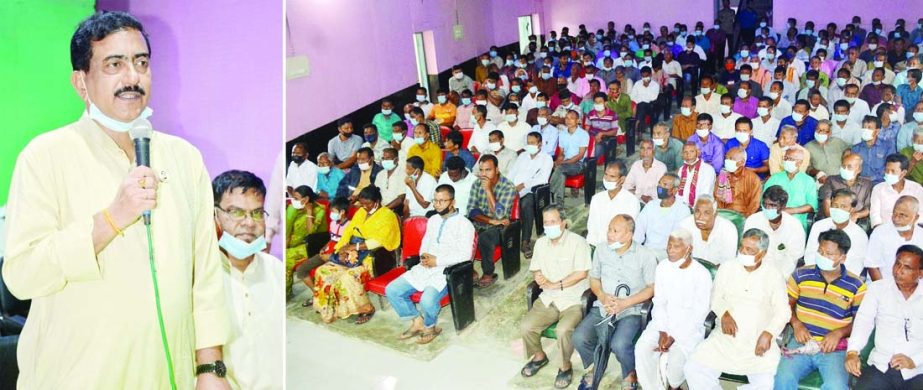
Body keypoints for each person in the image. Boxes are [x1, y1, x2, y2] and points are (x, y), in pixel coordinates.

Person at [2, 11, 231, 388]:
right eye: (114, 64)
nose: (132, 77)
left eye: (141, 63)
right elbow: (22, 276)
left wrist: (210, 369)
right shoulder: (45, 156)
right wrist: (110, 220)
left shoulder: (184, 158)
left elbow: (205, 276)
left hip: (168, 376)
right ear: (81, 82)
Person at [684, 229, 791, 390]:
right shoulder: (728, 267)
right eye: (742, 247)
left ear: (762, 253)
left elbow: (783, 311)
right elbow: (715, 297)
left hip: (757, 340)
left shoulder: (774, 275)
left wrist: (769, 333)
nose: (743, 252)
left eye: (750, 250)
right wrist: (724, 314)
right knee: (693, 368)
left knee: (768, 384)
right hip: (724, 338)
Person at [212, 170, 283, 390]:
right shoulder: (201, 275)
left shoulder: (275, 271)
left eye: (256, 213)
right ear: (214, 215)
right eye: (235, 212)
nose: (248, 223)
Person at [573, 215, 657, 390]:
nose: (610, 234)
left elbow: (651, 288)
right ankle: (598, 362)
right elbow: (594, 279)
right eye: (609, 229)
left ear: (629, 235)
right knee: (579, 338)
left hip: (630, 310)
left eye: (615, 231)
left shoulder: (645, 255)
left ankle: (629, 373)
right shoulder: (601, 250)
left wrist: (625, 303)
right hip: (603, 307)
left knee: (619, 344)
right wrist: (602, 296)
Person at [774, 229, 866, 390]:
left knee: (835, 386)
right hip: (801, 341)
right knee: (782, 380)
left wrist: (838, 333)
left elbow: (861, 322)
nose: (822, 256)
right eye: (820, 251)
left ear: (842, 258)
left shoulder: (856, 285)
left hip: (834, 348)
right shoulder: (800, 275)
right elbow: (786, 304)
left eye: (829, 254)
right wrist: (796, 324)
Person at [386, 184, 475, 345]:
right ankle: (416, 321)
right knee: (392, 290)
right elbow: (425, 241)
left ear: (452, 201)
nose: (437, 204)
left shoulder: (464, 224)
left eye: (442, 201)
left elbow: (465, 255)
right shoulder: (433, 219)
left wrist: (437, 261)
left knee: (427, 300)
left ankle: (430, 326)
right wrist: (423, 256)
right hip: (425, 266)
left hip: (446, 270)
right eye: (435, 201)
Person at [519, 205, 591, 389]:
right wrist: (538, 276)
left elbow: (582, 273)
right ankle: (539, 356)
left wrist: (558, 284)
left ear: (563, 223)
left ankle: (565, 366)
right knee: (526, 326)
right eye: (546, 222)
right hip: (549, 297)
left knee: (563, 330)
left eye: (553, 221)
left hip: (573, 298)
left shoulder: (578, 242)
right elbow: (535, 268)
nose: (549, 226)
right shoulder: (541, 243)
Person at [635, 227, 711, 390]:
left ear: (688, 249)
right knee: (642, 349)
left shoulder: (701, 274)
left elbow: (700, 314)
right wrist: (663, 331)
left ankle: (674, 386)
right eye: (669, 245)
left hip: (688, 331)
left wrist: (674, 336)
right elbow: (659, 302)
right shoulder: (663, 267)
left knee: (675, 367)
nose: (670, 250)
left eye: (676, 247)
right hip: (662, 322)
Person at [312, 186, 401, 324]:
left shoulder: (387, 215)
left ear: (377, 201)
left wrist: (355, 247)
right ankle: (329, 308)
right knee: (322, 271)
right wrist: (340, 249)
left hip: (373, 257)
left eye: (368, 203)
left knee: (348, 278)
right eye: (362, 203)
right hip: (351, 252)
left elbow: (380, 241)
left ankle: (366, 309)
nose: (364, 206)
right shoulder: (360, 212)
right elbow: (348, 232)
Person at [846, 244, 923, 389]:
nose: (899, 271)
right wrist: (852, 351)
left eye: (907, 267)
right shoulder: (878, 289)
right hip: (881, 365)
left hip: (918, 370)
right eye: (897, 264)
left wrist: (915, 360)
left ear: (920, 273)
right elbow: (864, 321)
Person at [293, 196, 351, 307]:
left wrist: (332, 255)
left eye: (333, 211)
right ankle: (317, 294)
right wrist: (324, 247)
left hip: (338, 256)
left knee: (322, 272)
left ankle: (326, 299)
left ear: (342, 212)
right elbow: (332, 239)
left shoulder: (350, 226)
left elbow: (347, 246)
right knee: (301, 270)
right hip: (326, 252)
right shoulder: (333, 223)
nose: (331, 214)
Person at [468, 155, 516, 288]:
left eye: (488, 170)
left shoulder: (508, 187)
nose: (484, 174)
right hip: (483, 220)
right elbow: (472, 211)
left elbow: (501, 217)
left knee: (485, 238)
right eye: (481, 170)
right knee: (459, 229)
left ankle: (488, 272)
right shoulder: (476, 184)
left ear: (497, 170)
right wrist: (490, 220)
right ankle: (469, 269)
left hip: (501, 227)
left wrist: (489, 191)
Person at [744, 185, 807, 278]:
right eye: (765, 204)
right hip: (754, 270)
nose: (768, 208)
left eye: (773, 205)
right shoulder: (753, 220)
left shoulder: (794, 226)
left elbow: (792, 258)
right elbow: (747, 250)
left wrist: (778, 278)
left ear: (783, 206)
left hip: (782, 274)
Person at [509, 132, 553, 258]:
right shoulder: (522, 156)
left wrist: (523, 185)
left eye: (533, 143)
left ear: (539, 144)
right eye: (528, 142)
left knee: (526, 204)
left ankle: (525, 241)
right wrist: (509, 186)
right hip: (514, 188)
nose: (530, 145)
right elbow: (512, 173)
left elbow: (543, 179)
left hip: (531, 191)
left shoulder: (546, 158)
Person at [805, 189, 869, 275]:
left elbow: (857, 263)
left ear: (852, 209)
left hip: (844, 277)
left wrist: (838, 277)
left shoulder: (860, 234)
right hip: (815, 272)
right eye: (835, 205)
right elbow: (810, 253)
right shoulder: (818, 226)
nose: (838, 209)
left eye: (843, 206)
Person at [633, 173, 691, 259]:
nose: (660, 187)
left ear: (674, 190)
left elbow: (678, 238)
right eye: (659, 183)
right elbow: (639, 228)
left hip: (667, 253)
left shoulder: (683, 210)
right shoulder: (651, 205)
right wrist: (634, 247)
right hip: (646, 250)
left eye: (665, 185)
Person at [865, 196, 923, 281]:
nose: (896, 219)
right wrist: (884, 290)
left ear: (916, 217)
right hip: (884, 285)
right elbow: (872, 266)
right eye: (894, 214)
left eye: (903, 215)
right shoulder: (880, 232)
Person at [586, 160, 641, 247]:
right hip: (596, 245)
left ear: (622, 179)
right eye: (606, 175)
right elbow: (591, 227)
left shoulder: (631, 201)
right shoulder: (597, 199)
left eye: (612, 176)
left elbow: (628, 231)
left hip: (618, 247)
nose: (607, 179)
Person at [284, 186, 327, 297]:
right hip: (294, 244)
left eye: (296, 198)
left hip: (311, 246)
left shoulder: (319, 210)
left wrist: (309, 212)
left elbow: (311, 233)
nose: (294, 201)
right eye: (293, 197)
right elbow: (287, 230)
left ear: (306, 199)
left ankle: (285, 293)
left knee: (286, 258)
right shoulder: (292, 208)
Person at [764, 147, 818, 230]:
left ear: (799, 162)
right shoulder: (774, 178)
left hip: (797, 221)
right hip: (773, 218)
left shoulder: (808, 181)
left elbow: (811, 206)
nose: (786, 161)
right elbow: (763, 200)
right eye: (785, 158)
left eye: (790, 159)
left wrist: (789, 211)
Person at [679, 194, 738, 266]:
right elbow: (680, 256)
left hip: (718, 272)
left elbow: (728, 263)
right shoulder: (685, 225)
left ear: (715, 214)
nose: (700, 217)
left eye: (706, 213)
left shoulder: (728, 229)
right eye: (697, 211)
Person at [870, 153, 923, 227]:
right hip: (885, 231)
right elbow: (875, 215)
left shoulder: (916, 188)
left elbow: (921, 214)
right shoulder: (878, 188)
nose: (888, 174)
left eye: (893, 171)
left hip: (910, 231)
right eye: (887, 170)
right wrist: (880, 232)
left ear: (903, 173)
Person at [549, 110, 589, 203]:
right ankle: (560, 203)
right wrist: (558, 161)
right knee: (561, 172)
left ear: (578, 120)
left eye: (572, 118)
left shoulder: (583, 134)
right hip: (565, 165)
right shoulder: (562, 134)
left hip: (579, 164)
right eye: (567, 118)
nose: (568, 120)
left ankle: (548, 191)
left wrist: (561, 163)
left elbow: (580, 155)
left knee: (560, 169)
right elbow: (561, 153)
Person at [715, 146, 763, 216]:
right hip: (725, 214)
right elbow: (718, 199)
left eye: (731, 158)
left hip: (744, 216)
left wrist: (745, 219)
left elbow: (755, 204)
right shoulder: (722, 176)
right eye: (726, 158)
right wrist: (722, 216)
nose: (727, 161)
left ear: (741, 162)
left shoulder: (752, 179)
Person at [853, 115, 898, 184]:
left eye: (869, 128)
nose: (866, 130)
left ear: (877, 131)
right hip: (861, 183)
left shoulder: (888, 146)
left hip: (881, 183)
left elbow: (890, 166)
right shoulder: (856, 148)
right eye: (864, 127)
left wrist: (872, 178)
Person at [676, 143, 717, 207]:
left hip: (702, 207)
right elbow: (677, 192)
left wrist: (692, 208)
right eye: (685, 152)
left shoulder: (707, 169)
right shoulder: (681, 170)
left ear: (698, 153)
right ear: (682, 155)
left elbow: (705, 194)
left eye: (692, 151)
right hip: (683, 207)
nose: (688, 154)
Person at [374, 148, 407, 215]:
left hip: (396, 209)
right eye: (383, 158)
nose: (385, 161)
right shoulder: (380, 174)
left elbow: (401, 199)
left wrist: (383, 210)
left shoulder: (403, 173)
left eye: (388, 158)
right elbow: (375, 193)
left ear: (396, 160)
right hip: (380, 208)